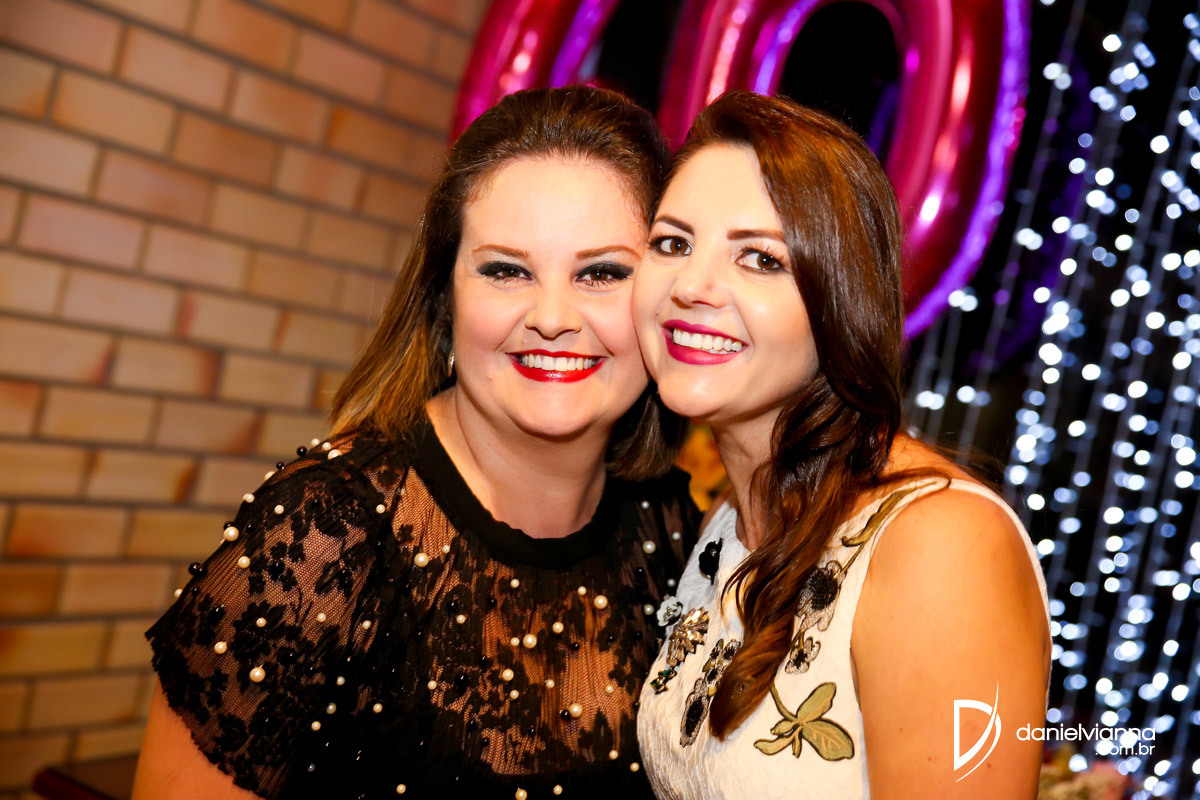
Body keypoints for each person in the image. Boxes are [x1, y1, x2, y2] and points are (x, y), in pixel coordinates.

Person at [133, 86, 699, 800]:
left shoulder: (671, 528)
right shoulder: (324, 534)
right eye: (506, 270)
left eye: (602, 273)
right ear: (444, 297)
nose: (553, 316)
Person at [633, 91, 1051, 799]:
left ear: (840, 300)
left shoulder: (939, 545)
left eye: (760, 259)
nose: (692, 286)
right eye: (673, 243)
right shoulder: (726, 528)